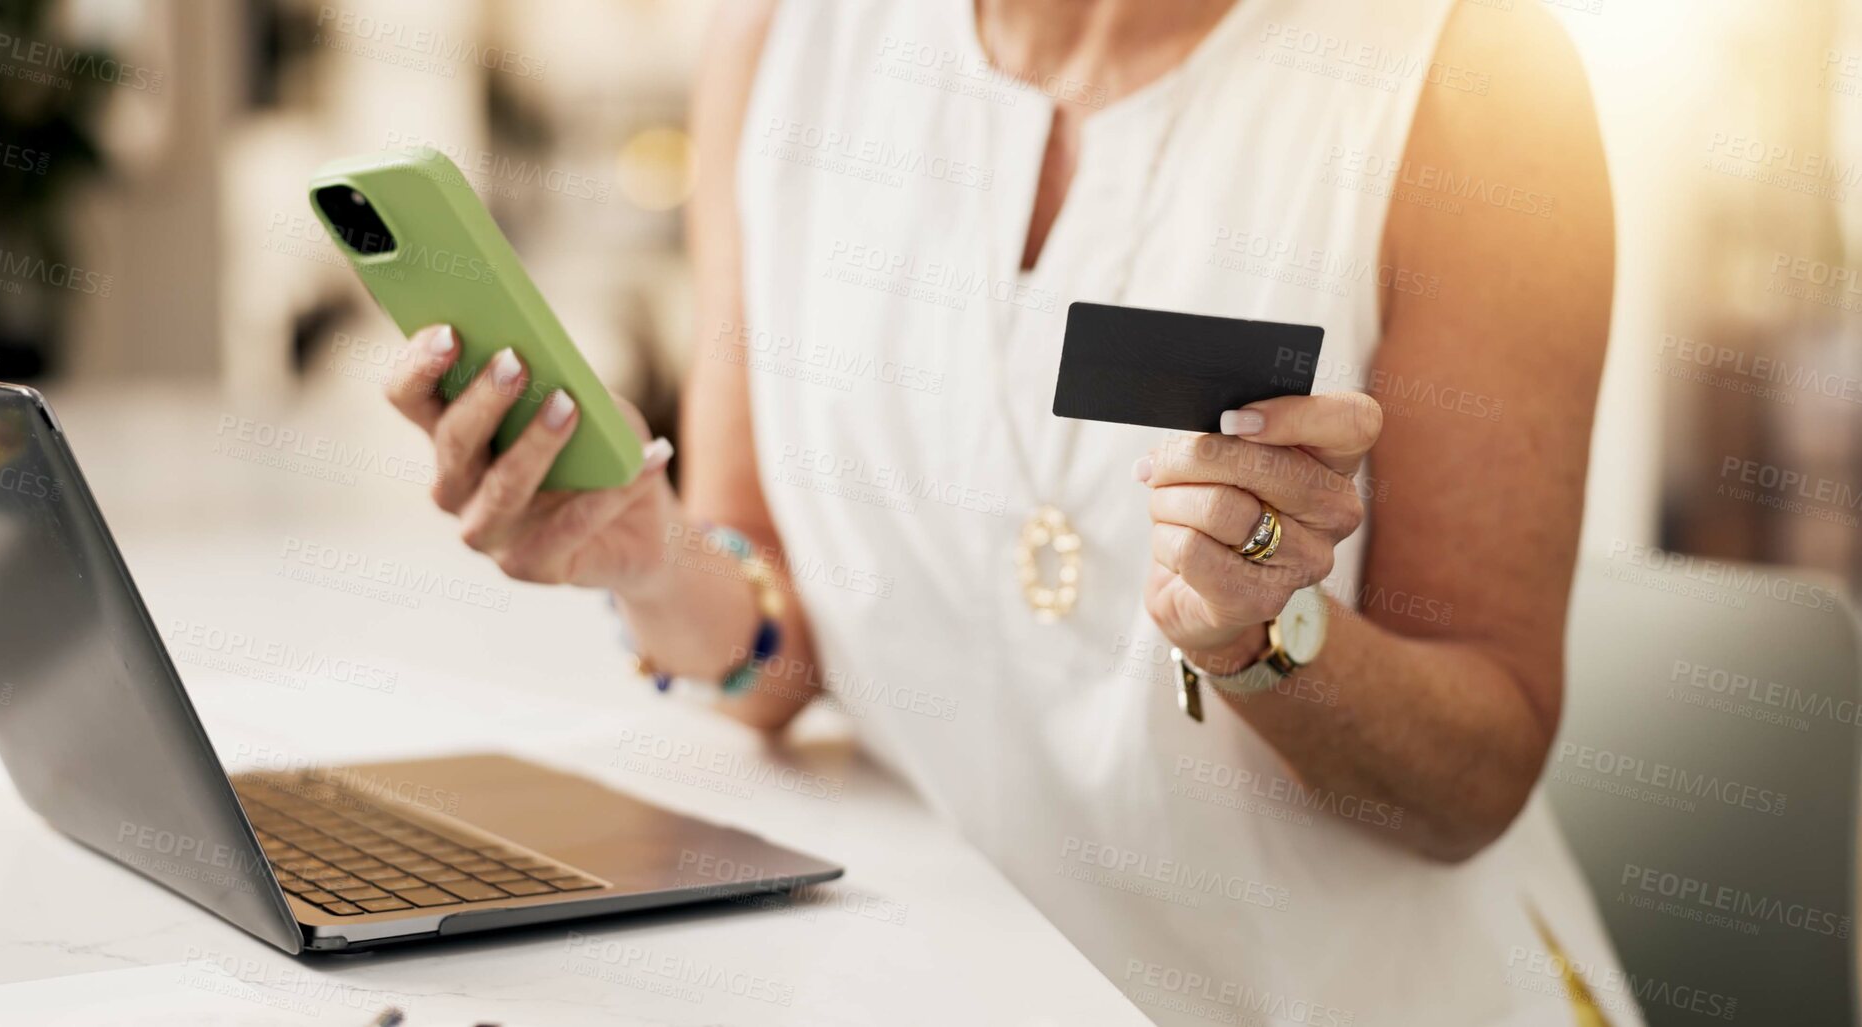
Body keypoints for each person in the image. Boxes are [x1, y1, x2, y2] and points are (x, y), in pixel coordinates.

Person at [384, 0, 1634, 1022]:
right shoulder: (778, 43)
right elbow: (778, 641)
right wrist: (650, 563)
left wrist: (1269, 640)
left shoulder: (1471, 80)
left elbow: (1478, 776)